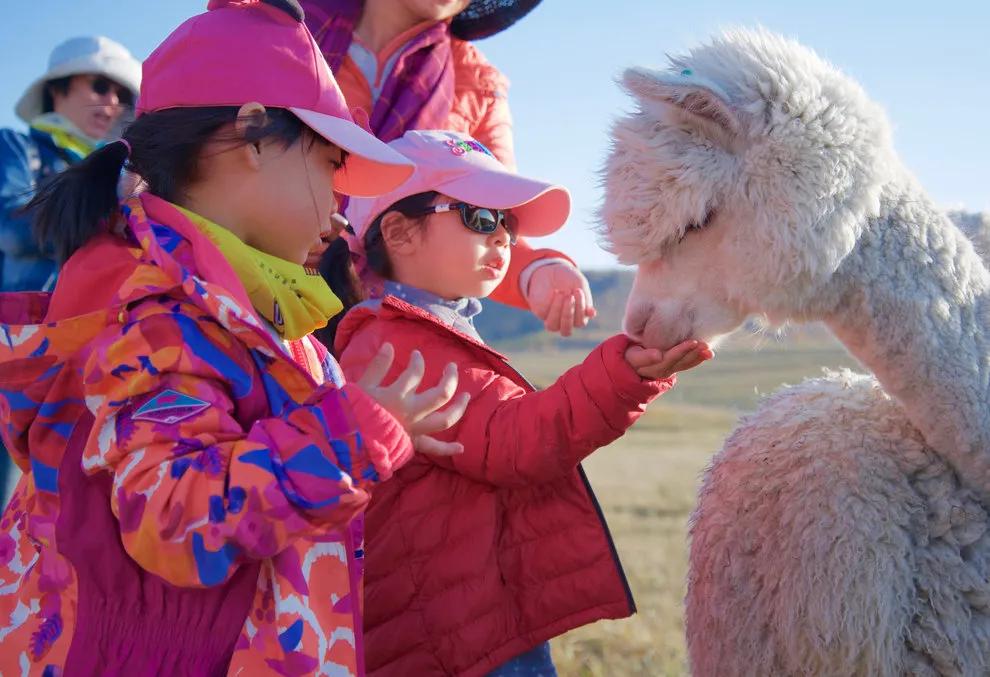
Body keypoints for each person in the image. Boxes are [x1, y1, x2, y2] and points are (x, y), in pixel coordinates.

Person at [0, 2, 467, 674]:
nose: (341, 215)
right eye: (329, 163)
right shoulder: (158, 318)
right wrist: (347, 436)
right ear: (252, 136)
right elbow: (176, 516)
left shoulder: (243, 309)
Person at [329, 130, 713, 675]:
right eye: (481, 219)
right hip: (459, 642)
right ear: (399, 231)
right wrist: (622, 376)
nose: (505, 239)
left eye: (507, 224)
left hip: (461, 622)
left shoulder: (423, 335)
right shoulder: (402, 348)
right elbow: (517, 442)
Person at [303, 0, 596, 337]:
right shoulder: (278, 26)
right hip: (253, 282)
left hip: (392, 328)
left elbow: (486, 221)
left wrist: (538, 269)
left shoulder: (478, 84)